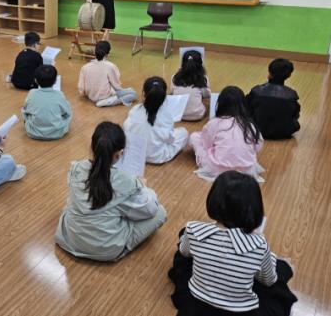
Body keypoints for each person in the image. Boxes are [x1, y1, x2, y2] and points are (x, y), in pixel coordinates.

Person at [168, 171, 298, 316]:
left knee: (184, 243)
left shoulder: (193, 229)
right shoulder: (259, 245)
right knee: (276, 275)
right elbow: (269, 280)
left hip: (195, 306)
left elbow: (184, 252)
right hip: (240, 312)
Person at [54, 121, 167, 261]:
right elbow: (150, 210)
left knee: (71, 204)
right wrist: (143, 187)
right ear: (119, 154)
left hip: (68, 240)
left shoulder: (76, 168)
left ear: (93, 147)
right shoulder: (126, 182)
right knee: (160, 212)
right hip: (105, 249)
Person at [190, 86, 264, 181]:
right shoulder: (249, 125)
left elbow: (206, 145)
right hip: (247, 170)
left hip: (218, 170)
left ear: (220, 104)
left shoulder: (215, 122)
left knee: (194, 137)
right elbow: (258, 146)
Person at [123, 76, 188, 165]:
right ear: (164, 97)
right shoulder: (166, 115)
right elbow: (170, 140)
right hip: (156, 157)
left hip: (136, 153)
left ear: (144, 94)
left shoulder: (135, 110)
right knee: (183, 132)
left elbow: (126, 129)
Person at [246, 58, 300, 139]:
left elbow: (246, 108)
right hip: (284, 133)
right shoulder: (292, 95)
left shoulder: (256, 91)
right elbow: (295, 114)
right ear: (289, 75)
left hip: (257, 130)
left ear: (269, 72)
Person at [78, 41, 137, 107]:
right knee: (133, 93)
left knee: (129, 90)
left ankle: (105, 100)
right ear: (108, 54)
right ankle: (107, 101)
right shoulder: (110, 66)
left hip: (91, 96)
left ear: (95, 52)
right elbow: (117, 86)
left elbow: (81, 89)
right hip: (104, 97)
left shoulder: (85, 67)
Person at [22, 65, 72, 140]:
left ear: (36, 80)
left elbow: (26, 110)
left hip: (33, 132)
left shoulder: (32, 93)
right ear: (55, 81)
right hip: (57, 133)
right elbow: (67, 113)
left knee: (24, 110)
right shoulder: (59, 95)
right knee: (68, 106)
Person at [171, 50, 211, 121]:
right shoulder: (203, 79)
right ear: (200, 65)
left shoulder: (174, 77)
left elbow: (172, 92)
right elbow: (207, 95)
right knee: (207, 103)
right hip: (197, 115)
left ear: (182, 64)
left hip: (178, 114)